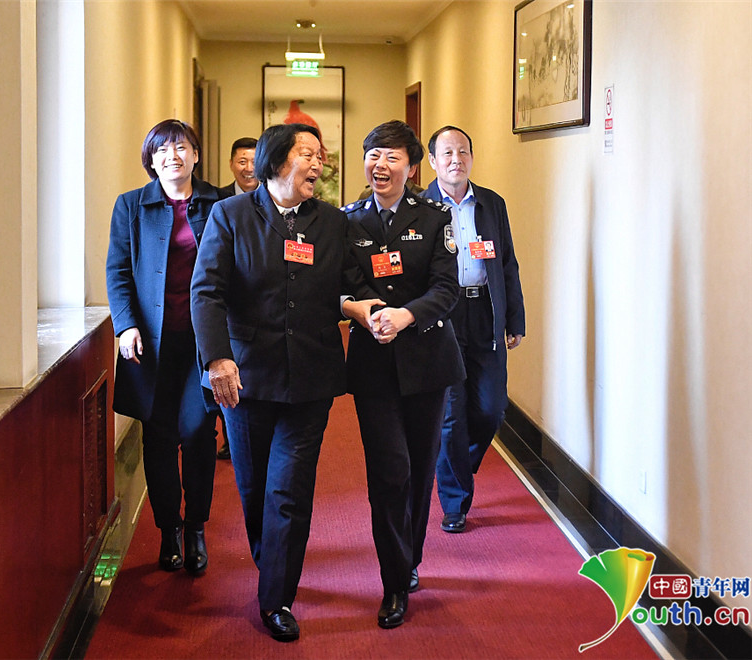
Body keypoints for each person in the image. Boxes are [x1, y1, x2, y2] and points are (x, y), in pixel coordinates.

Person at [191, 123, 375, 642]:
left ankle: (276, 597)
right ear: (276, 162)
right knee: (254, 489)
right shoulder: (231, 215)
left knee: (289, 488)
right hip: (245, 379)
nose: (319, 165)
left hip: (311, 377)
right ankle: (271, 559)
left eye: (320, 156)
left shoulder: (332, 222)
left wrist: (366, 308)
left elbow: (350, 286)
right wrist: (218, 359)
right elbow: (206, 292)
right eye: (307, 154)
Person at [342, 120, 465, 629]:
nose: (380, 165)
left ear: (411, 168)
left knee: (418, 468)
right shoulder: (347, 221)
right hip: (373, 366)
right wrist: (366, 312)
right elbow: (342, 284)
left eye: (391, 157)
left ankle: (409, 557)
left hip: (426, 363)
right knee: (389, 471)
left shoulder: (435, 217)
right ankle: (394, 581)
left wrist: (405, 316)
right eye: (373, 155)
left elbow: (446, 288)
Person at [106, 119, 220, 576]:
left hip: (201, 342)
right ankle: (168, 528)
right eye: (162, 149)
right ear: (151, 160)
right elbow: (118, 271)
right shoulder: (131, 206)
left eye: (182, 147)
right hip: (151, 344)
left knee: (198, 432)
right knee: (157, 437)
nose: (173, 155)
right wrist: (125, 325)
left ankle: (196, 528)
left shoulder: (219, 204)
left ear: (196, 155)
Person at [422, 125, 525, 534]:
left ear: (471, 157)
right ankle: (455, 502)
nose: (456, 160)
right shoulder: (421, 206)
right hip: (442, 314)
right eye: (447, 153)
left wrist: (514, 319)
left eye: (462, 151)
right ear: (433, 161)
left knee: (491, 408)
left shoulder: (491, 203)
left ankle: (458, 464)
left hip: (484, 311)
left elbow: (507, 263)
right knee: (450, 415)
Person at [214, 137, 259, 461]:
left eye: (254, 161)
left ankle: (238, 437)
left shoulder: (271, 202)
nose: (248, 168)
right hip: (223, 306)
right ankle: (231, 434)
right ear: (232, 164)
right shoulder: (216, 203)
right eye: (242, 161)